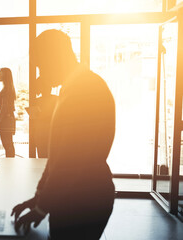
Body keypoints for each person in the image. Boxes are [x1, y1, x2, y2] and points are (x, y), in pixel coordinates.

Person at [11, 29, 116, 239]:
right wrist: (38, 199)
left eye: (41, 65)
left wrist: (42, 208)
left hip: (82, 201)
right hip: (80, 196)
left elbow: (70, 160)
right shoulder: (78, 86)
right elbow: (57, 159)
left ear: (55, 58)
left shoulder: (84, 90)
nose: (40, 73)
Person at [0, 67, 16, 158]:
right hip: (10, 118)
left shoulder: (5, 91)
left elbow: (3, 108)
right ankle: (10, 164)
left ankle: (10, 165)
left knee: (7, 145)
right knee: (9, 145)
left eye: (0, 73)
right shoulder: (9, 89)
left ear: (5, 76)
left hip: (5, 120)